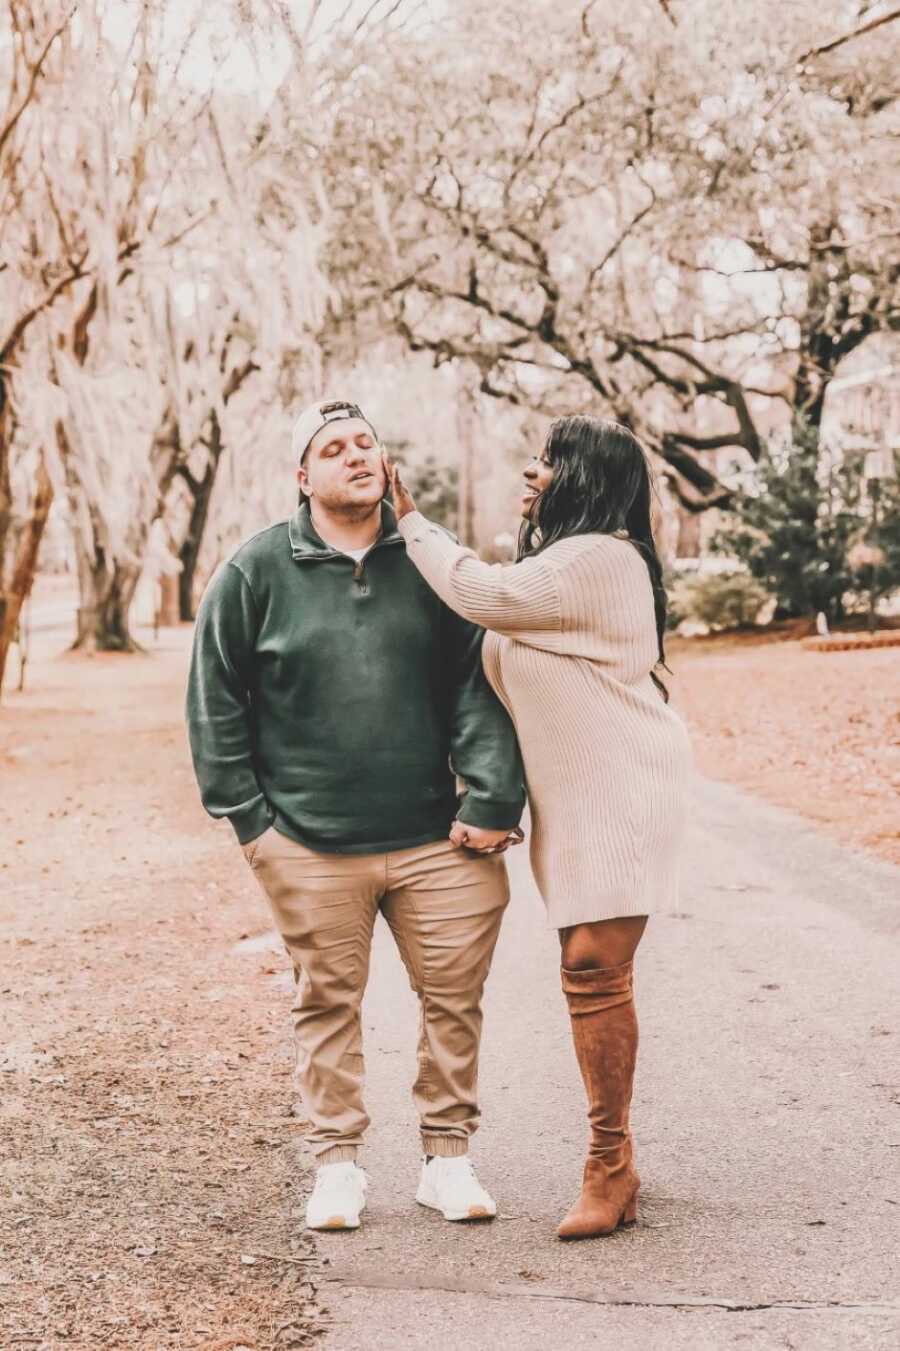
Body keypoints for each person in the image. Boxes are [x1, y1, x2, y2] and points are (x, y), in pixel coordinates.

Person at [186, 398, 525, 1233]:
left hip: (437, 839)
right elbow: (216, 702)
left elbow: (477, 685)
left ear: (385, 461)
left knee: (454, 997)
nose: (355, 456)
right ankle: (336, 1165)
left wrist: (490, 794)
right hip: (305, 841)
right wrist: (253, 828)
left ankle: (448, 1160)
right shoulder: (253, 571)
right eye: (333, 448)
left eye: (365, 442)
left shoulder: (432, 562)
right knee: (326, 1003)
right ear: (304, 477)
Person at [384, 415, 691, 1241]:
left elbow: (483, 594)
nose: (531, 470)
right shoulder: (567, 556)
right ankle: (616, 1158)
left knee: (593, 967)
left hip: (625, 789)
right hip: (580, 799)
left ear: (587, 477)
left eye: (549, 461)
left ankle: (610, 1167)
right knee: (586, 967)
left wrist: (412, 522)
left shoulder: (599, 559)